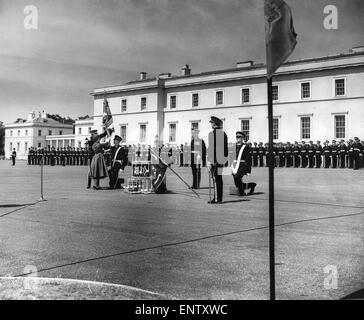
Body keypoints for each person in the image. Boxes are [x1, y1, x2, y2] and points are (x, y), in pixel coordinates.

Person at [207, 116, 228, 204]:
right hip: (221, 160)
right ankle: (218, 198)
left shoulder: (213, 134)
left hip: (215, 160)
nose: (211, 124)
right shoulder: (223, 133)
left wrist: (211, 160)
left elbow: (213, 148)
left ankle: (217, 199)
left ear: (215, 124)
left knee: (216, 179)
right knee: (218, 179)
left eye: (212, 123)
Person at [231, 132, 253, 196]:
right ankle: (251, 185)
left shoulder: (245, 147)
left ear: (242, 138)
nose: (238, 138)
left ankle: (242, 192)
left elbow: (248, 159)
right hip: (235, 165)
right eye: (237, 137)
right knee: (235, 178)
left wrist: (248, 170)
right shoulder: (233, 146)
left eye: (239, 137)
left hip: (242, 165)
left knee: (237, 177)